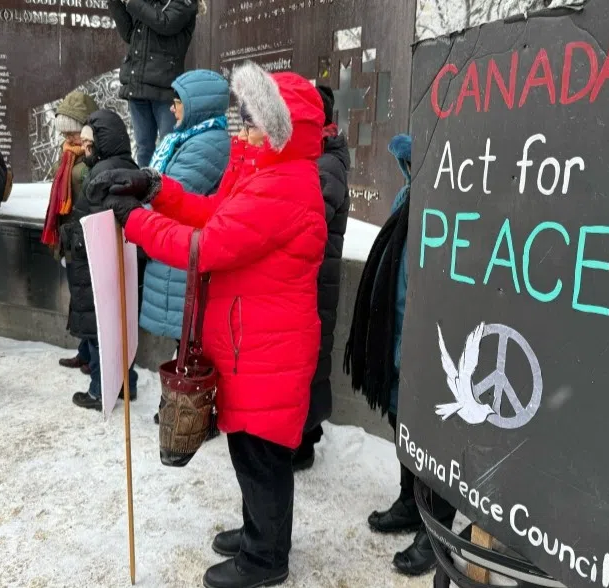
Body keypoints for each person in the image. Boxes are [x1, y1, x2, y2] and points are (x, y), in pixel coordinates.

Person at [88, 61, 326, 588]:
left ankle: (266, 559)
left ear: (283, 127)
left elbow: (205, 246)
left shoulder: (284, 184)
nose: (243, 127)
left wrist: (136, 222)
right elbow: (210, 213)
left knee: (261, 455)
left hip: (268, 349)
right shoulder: (263, 173)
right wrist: (155, 187)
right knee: (249, 449)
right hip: (253, 343)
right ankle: (258, 533)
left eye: (255, 118)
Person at [344, 133, 454, 575]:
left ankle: (436, 530)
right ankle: (410, 502)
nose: (408, 173)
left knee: (434, 441)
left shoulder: (451, 206)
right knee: (404, 427)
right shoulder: (409, 198)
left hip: (432, 347)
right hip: (398, 340)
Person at [138, 69, 230, 424]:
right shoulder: (189, 138)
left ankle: (194, 413)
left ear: (196, 106)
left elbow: (175, 190)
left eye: (178, 103)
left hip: (187, 252)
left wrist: (141, 205)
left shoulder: (209, 142)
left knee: (192, 341)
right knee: (187, 340)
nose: (173, 110)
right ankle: (184, 407)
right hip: (180, 249)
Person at [62, 110, 140, 411]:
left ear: (103, 143)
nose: (85, 150)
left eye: (88, 143)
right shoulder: (126, 166)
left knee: (99, 331)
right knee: (117, 326)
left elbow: (96, 219)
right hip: (114, 264)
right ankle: (127, 384)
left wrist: (72, 241)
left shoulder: (101, 172)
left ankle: (98, 390)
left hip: (93, 264)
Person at [293, 85, 351, 471]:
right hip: (312, 278)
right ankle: (305, 435)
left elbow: (308, 221)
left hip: (316, 280)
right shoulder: (319, 159)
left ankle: (304, 441)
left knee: (310, 361)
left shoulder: (326, 165)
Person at [41, 91, 100, 376]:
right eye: (65, 132)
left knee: (88, 301)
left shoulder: (89, 157)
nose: (70, 138)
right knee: (79, 299)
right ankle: (85, 351)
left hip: (83, 237)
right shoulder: (69, 155)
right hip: (69, 237)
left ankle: (91, 356)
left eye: (73, 132)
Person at [108, 0, 199, 167]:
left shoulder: (185, 2)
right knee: (143, 148)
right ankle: (145, 189)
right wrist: (115, 4)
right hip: (138, 86)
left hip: (165, 90)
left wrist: (131, 2)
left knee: (169, 147)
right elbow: (129, 33)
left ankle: (169, 189)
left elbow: (165, 23)